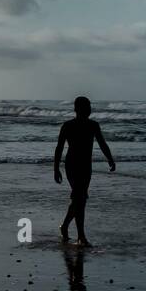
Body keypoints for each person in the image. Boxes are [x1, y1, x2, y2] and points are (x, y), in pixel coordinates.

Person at [53, 96, 115, 246]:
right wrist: (56, 169)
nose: (88, 109)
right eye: (86, 107)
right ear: (77, 109)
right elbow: (59, 148)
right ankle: (81, 236)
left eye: (89, 106)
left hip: (86, 166)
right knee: (79, 198)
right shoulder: (67, 126)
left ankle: (65, 226)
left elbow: (102, 144)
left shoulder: (93, 125)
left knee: (79, 199)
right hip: (72, 165)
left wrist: (110, 159)